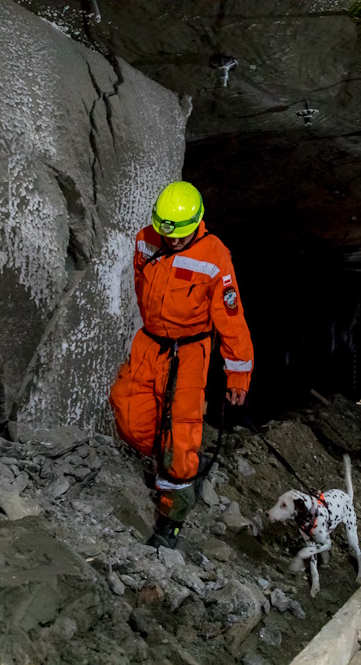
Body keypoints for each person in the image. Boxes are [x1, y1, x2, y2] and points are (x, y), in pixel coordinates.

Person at [110, 181, 254, 549]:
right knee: (129, 415)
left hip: (190, 351)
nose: (172, 240)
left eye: (180, 235)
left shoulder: (215, 255)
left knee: (180, 432)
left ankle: (172, 517)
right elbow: (142, 280)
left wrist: (238, 374)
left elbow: (231, 319)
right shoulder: (146, 239)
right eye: (166, 233)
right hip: (150, 343)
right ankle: (175, 463)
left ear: (197, 224)